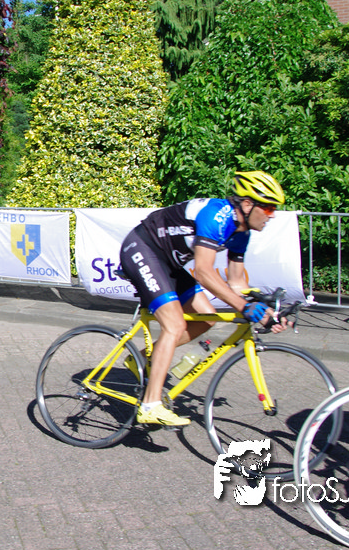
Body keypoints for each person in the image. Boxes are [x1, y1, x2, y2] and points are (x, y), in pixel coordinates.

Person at [118, 170, 288, 427]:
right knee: (174, 325)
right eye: (268, 207)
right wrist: (244, 306)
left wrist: (265, 308)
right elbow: (204, 272)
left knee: (207, 318)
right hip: (143, 248)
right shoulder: (217, 217)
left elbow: (237, 283)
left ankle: (140, 359)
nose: (272, 215)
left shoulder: (242, 234)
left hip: (167, 263)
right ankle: (150, 406)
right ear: (247, 204)